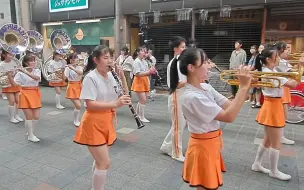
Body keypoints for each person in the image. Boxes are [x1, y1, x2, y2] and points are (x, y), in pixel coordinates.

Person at [169, 47, 252, 189]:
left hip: (211, 145)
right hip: (203, 149)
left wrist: (247, 85)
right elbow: (229, 116)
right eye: (205, 61)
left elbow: (230, 106)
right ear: (191, 67)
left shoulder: (205, 87)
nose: (210, 64)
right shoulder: (191, 97)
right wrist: (243, 87)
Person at [73, 45, 131, 190]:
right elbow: (90, 104)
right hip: (93, 122)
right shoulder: (90, 77)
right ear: (96, 60)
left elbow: (124, 94)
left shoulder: (112, 75)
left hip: (107, 121)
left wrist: (122, 76)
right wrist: (115, 104)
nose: (110, 61)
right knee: (104, 162)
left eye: (111, 57)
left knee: (100, 161)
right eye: (105, 58)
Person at [253, 47, 298, 181]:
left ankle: (257, 164)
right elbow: (293, 84)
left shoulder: (270, 71)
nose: (278, 59)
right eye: (276, 57)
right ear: (268, 59)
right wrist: (301, 69)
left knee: (267, 140)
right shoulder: (272, 73)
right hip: (272, 106)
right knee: (275, 142)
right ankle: (273, 171)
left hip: (272, 105)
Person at [160, 36, 187, 162]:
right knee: (178, 126)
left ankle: (166, 146)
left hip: (180, 96)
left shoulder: (180, 61)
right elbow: (176, 84)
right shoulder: (176, 63)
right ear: (175, 48)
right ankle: (176, 152)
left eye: (184, 46)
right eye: (182, 46)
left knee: (179, 125)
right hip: (176, 96)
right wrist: (191, 80)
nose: (184, 48)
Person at [13, 55, 41, 142]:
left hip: (35, 93)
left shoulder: (37, 71)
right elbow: (15, 84)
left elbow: (37, 78)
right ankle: (30, 135)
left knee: (36, 116)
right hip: (24, 93)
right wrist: (10, 76)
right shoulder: (19, 73)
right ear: (26, 63)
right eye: (31, 61)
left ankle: (30, 131)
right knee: (29, 116)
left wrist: (25, 71)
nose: (33, 62)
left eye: (34, 61)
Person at [275, 41, 297, 145]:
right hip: (282, 87)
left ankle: (279, 135)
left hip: (284, 87)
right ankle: (280, 136)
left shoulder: (282, 60)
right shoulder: (280, 61)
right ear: (281, 50)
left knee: (283, 113)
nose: (288, 51)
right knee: (283, 114)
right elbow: (292, 73)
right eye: (287, 48)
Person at [131, 46, 156, 123]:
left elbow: (146, 70)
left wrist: (151, 70)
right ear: (138, 52)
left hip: (144, 80)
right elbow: (137, 74)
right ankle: (141, 117)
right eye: (142, 51)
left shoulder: (144, 61)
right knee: (143, 100)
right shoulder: (136, 61)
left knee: (142, 100)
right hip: (139, 81)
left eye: (145, 51)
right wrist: (149, 72)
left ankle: (138, 115)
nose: (144, 53)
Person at [0, 50, 23, 123]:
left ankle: (17, 115)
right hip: (8, 84)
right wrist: (7, 74)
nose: (11, 56)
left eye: (11, 54)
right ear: (4, 55)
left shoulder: (15, 62)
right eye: (9, 54)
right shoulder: (1, 64)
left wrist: (19, 69)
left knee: (18, 100)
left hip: (15, 83)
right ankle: (11, 117)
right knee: (12, 101)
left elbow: (18, 71)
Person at [64, 52, 83, 127]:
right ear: (71, 60)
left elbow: (80, 73)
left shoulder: (79, 67)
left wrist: (72, 68)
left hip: (79, 86)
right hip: (72, 87)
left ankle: (76, 119)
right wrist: (64, 69)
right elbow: (64, 78)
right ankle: (76, 120)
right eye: (75, 58)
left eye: (77, 58)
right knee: (78, 105)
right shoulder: (67, 68)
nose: (77, 59)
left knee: (77, 106)